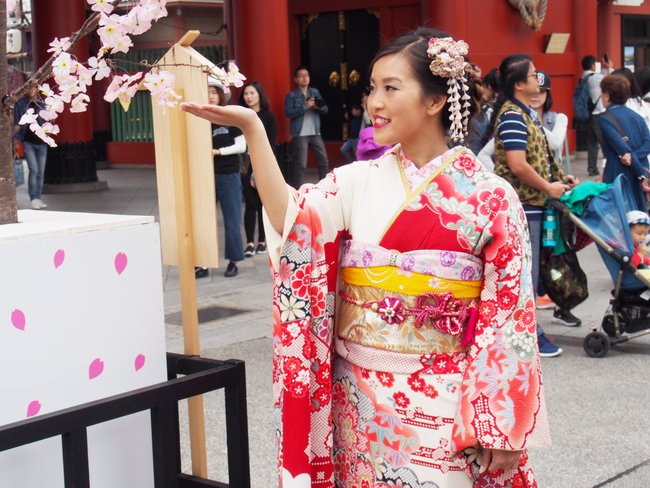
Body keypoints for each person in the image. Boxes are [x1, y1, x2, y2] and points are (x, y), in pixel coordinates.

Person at [181, 27, 549, 487]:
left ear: (435, 101)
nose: (374, 102)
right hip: (359, 400)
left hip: (444, 402)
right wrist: (253, 129)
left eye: (390, 88)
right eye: (372, 88)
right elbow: (294, 223)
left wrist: (498, 422)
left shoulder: (491, 197)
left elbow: (508, 317)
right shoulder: (356, 180)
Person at [492, 55, 578, 358]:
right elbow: (517, 164)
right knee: (525, 275)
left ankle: (525, 332)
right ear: (518, 84)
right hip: (526, 205)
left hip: (534, 203)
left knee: (531, 274)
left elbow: (534, 158)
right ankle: (529, 335)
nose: (537, 80)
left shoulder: (523, 113)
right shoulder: (514, 115)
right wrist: (548, 186)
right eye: (532, 75)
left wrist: (558, 178)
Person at [528, 71, 582, 327]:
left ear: (548, 94)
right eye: (533, 89)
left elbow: (557, 141)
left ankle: (564, 305)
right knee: (534, 258)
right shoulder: (517, 120)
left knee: (558, 252)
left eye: (542, 91)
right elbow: (488, 152)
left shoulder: (556, 118)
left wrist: (532, 122)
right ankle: (536, 304)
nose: (536, 95)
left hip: (556, 197)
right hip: (532, 199)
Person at [195, 77, 245, 279]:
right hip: (205, 175)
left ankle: (233, 261)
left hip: (228, 174)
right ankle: (203, 263)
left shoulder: (230, 117)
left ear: (220, 94)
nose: (210, 96)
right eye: (206, 91)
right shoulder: (198, 118)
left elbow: (242, 146)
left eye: (214, 92)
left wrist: (219, 152)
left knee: (232, 219)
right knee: (204, 220)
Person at [599, 74, 650, 212]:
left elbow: (622, 148)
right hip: (641, 169)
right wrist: (642, 173)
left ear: (608, 95)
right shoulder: (637, 117)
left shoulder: (605, 119)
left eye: (602, 93)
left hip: (619, 171)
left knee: (620, 217)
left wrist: (630, 158)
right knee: (640, 216)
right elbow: (648, 143)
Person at [238, 81, 277, 257]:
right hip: (245, 164)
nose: (249, 97)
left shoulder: (268, 117)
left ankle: (262, 240)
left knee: (263, 203)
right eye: (246, 94)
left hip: (263, 163)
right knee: (250, 203)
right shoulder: (240, 117)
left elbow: (271, 144)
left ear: (259, 94)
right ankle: (249, 242)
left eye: (252, 93)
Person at [284, 66, 330, 187]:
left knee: (323, 160)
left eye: (307, 75)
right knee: (301, 164)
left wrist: (317, 106)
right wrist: (305, 106)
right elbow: (288, 113)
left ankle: (324, 187)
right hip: (300, 134)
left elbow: (325, 110)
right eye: (301, 76)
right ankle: (298, 190)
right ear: (296, 79)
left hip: (315, 132)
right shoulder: (292, 95)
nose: (305, 78)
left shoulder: (315, 92)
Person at [13, 86, 48, 210]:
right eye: (31, 88)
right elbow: (17, 123)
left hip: (42, 142)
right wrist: (15, 140)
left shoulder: (41, 103)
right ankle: (33, 198)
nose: (33, 91)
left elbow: (47, 121)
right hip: (28, 142)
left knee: (41, 172)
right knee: (34, 169)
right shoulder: (21, 103)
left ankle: (39, 197)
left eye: (35, 88)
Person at [579, 55, 613, 176]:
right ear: (593, 65)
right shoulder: (595, 78)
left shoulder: (583, 77)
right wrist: (609, 67)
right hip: (598, 114)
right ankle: (609, 165)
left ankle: (592, 168)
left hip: (588, 114)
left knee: (591, 143)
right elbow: (611, 79)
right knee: (604, 141)